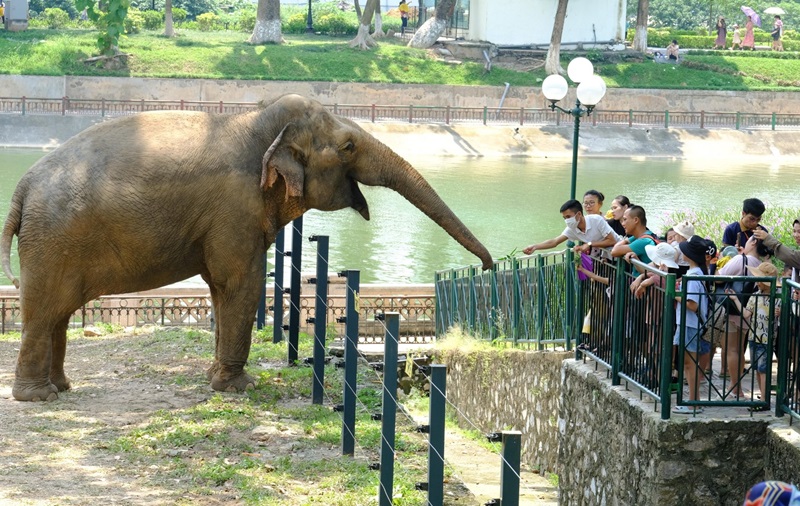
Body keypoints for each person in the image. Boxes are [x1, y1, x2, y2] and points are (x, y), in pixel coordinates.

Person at [716, 235, 773, 395]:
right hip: (748, 312)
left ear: (753, 242)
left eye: (748, 241)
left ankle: (735, 387)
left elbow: (718, 278)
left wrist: (724, 260)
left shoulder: (740, 260)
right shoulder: (761, 265)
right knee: (739, 349)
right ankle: (736, 386)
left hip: (734, 308)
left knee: (732, 349)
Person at [727, 261, 781, 411]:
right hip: (754, 337)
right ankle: (763, 397)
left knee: (763, 369)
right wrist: (735, 300)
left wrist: (780, 313)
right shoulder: (755, 296)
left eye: (759, 279)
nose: (757, 281)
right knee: (758, 369)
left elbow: (782, 315)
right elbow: (746, 314)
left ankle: (764, 401)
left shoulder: (778, 298)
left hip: (766, 338)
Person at [672, 235, 711, 414]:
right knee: (690, 363)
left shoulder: (694, 276)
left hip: (690, 324)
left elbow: (692, 304)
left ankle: (693, 402)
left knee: (690, 364)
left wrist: (674, 295)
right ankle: (693, 401)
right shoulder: (697, 274)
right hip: (690, 324)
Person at [522, 199, 619, 256]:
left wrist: (590, 244)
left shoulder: (596, 220)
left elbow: (612, 241)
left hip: (619, 252)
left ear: (579, 214)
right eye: (564, 218)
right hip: (603, 257)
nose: (566, 220)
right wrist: (535, 246)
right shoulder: (572, 228)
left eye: (568, 217)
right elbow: (555, 241)